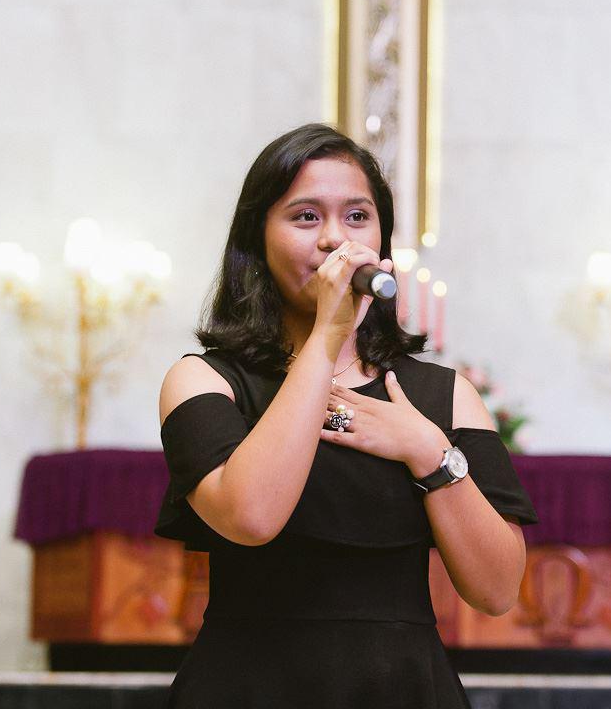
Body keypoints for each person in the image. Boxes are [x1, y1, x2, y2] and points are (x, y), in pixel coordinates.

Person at [154, 123, 538, 708]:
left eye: (357, 216)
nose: (335, 239)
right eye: (306, 217)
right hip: (248, 685)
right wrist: (328, 336)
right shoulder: (206, 381)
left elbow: (497, 590)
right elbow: (251, 517)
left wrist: (428, 451)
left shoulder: (444, 395)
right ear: (257, 238)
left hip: (403, 689)